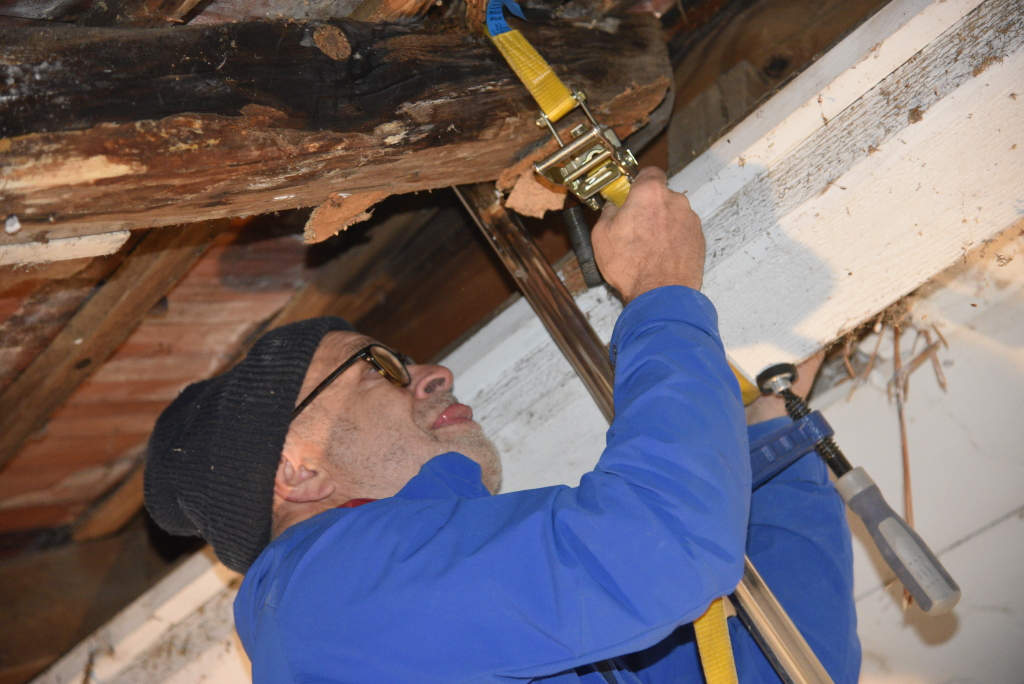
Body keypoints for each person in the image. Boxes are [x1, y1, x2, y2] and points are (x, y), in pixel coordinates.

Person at [144, 167, 860, 683]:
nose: (435, 373)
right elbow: (663, 545)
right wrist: (661, 295)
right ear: (296, 471)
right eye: (378, 367)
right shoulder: (318, 603)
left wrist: (769, 441)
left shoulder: (426, 629)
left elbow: (794, 666)